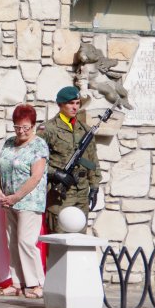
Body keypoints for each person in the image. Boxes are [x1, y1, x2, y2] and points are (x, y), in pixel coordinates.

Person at [0, 104, 48, 298]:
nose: (21, 131)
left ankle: (38, 283)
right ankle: (17, 283)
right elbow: (1, 170)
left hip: (29, 201)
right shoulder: (8, 143)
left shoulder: (39, 145)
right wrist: (0, 192)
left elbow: (36, 176)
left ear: (33, 125)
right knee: (13, 242)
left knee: (26, 242)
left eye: (25, 127)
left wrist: (16, 196)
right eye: (17, 126)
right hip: (9, 201)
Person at [38, 86, 101, 233]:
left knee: (80, 239)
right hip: (61, 195)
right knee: (59, 239)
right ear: (60, 104)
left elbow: (92, 161)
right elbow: (34, 161)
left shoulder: (85, 130)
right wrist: (55, 173)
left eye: (77, 103)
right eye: (71, 103)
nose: (75, 107)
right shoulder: (47, 129)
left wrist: (94, 187)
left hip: (82, 193)